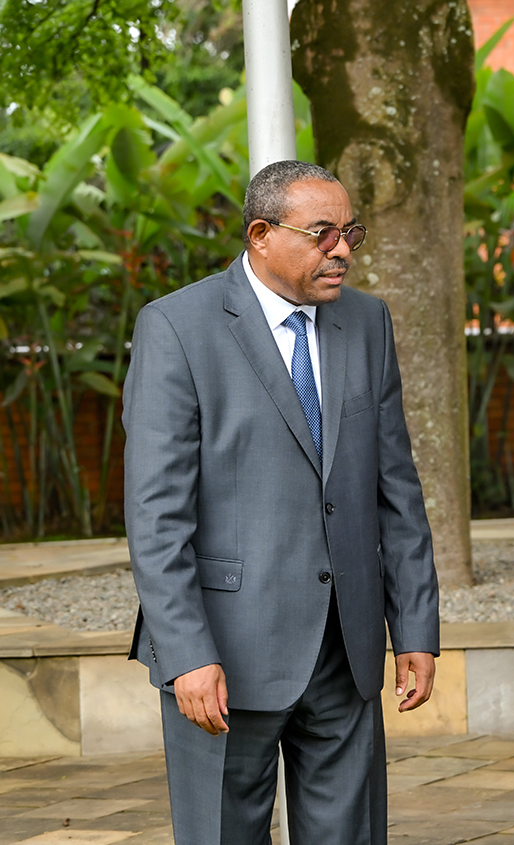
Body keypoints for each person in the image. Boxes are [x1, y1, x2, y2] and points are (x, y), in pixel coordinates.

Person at [123, 160, 439, 845]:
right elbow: (156, 516)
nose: (344, 250)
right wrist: (186, 653)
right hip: (223, 654)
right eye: (322, 234)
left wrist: (414, 624)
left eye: (350, 231)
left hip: (344, 650)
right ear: (262, 234)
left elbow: (396, 488)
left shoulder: (367, 321)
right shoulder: (176, 327)